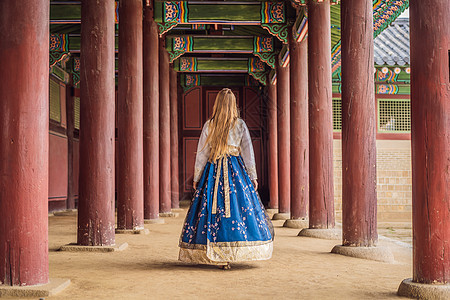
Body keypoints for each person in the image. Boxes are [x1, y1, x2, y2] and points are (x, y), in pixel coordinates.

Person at [178, 88, 274, 270]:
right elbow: (248, 152)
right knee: (239, 209)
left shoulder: (210, 124)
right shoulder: (240, 125)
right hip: (235, 171)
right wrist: (252, 176)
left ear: (217, 105)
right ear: (233, 105)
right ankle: (232, 251)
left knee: (212, 209)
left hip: (213, 170)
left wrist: (197, 177)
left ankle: (215, 251)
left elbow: (202, 153)